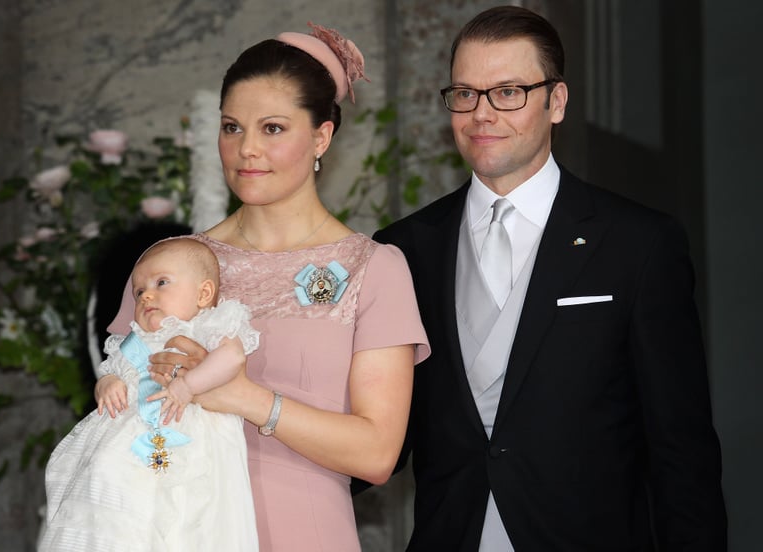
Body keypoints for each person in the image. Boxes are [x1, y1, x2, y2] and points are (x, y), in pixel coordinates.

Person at [373, 6, 727, 551]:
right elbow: (384, 438)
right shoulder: (403, 248)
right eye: (465, 93)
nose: (482, 114)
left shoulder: (638, 243)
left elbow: (681, 450)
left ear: (555, 102)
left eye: (508, 91)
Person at [107, 22, 430, 552]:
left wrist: (246, 398)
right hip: (176, 532)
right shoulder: (169, 266)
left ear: (322, 136)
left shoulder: (376, 269)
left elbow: (377, 454)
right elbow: (117, 415)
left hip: (307, 533)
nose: (246, 149)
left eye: (273, 128)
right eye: (232, 127)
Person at [40, 237, 260, 551]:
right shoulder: (136, 340)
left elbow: (232, 358)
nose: (147, 296)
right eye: (139, 291)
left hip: (194, 433)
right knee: (106, 475)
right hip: (128, 441)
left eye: (161, 282)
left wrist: (188, 385)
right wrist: (107, 383)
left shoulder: (211, 324)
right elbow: (111, 370)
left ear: (204, 293)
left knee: (189, 509)